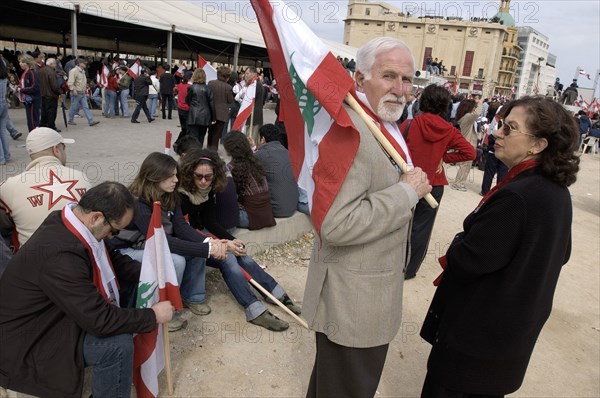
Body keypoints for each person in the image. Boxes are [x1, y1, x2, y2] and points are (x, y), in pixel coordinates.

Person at [420, 96, 580, 397]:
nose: (497, 134)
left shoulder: (519, 196)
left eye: (510, 128)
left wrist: (459, 241)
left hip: (477, 341)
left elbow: (466, 260)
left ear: (538, 145)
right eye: (500, 125)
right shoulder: (556, 192)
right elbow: (562, 253)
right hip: (508, 342)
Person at [303, 37, 431, 397]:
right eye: (389, 76)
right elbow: (336, 224)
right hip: (352, 302)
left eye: (407, 80)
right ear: (359, 80)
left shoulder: (383, 123)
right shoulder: (351, 133)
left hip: (368, 297)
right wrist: (407, 193)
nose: (401, 89)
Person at [0, 181, 174, 398]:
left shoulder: (74, 222)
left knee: (132, 291)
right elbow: (100, 320)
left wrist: (152, 275)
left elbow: (114, 260)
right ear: (96, 217)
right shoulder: (60, 255)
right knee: (117, 346)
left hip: (56, 313)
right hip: (32, 338)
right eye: (115, 230)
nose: (113, 237)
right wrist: (152, 315)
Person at [178, 148, 300, 331]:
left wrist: (233, 240)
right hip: (188, 240)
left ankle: (276, 294)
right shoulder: (180, 194)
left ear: (215, 175)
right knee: (229, 259)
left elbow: (210, 221)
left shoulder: (209, 190)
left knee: (242, 254)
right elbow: (183, 230)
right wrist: (223, 244)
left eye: (208, 177)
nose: (203, 181)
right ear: (189, 174)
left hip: (202, 235)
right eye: (198, 176)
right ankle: (255, 310)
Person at [110, 152, 227, 331]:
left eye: (176, 174)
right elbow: (161, 242)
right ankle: (166, 310)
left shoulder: (170, 194)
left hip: (150, 244)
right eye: (171, 176)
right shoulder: (138, 202)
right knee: (176, 261)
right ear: (155, 177)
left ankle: (192, 297)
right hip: (127, 249)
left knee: (196, 250)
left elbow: (181, 227)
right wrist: (207, 249)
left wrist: (208, 243)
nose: (176, 180)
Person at [400, 84, 476, 280]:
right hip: (434, 184)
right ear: (446, 105)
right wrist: (444, 157)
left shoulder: (410, 124)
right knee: (421, 229)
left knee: (398, 224)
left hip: (407, 182)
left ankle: (393, 264)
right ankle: (410, 269)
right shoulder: (449, 130)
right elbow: (470, 152)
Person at [0, 127, 92, 250]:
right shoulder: (81, 177)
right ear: (56, 150)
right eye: (63, 148)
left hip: (32, 260)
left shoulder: (9, 186)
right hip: (81, 256)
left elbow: (4, 225)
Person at [223, 130, 276, 230]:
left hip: (248, 218)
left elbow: (230, 198)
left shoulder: (230, 168)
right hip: (267, 214)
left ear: (228, 149)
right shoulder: (256, 161)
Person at [255, 123, 299, 218]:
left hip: (275, 209)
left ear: (262, 139)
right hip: (292, 206)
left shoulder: (261, 155)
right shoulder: (288, 153)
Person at [451, 97, 482, 191]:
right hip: (468, 143)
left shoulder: (465, 117)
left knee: (466, 165)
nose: (474, 108)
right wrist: (480, 103)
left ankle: (460, 182)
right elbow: (477, 114)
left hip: (468, 143)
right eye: (474, 106)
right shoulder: (467, 117)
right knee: (465, 165)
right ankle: (458, 183)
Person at [207, 65, 234, 149]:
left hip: (211, 112)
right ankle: (214, 151)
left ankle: (209, 148)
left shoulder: (210, 83)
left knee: (210, 132)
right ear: (227, 77)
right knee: (217, 133)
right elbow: (230, 100)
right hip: (222, 114)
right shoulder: (228, 87)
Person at [67, 58, 100, 127]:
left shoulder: (82, 71)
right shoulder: (74, 71)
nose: (85, 64)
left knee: (86, 107)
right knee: (74, 106)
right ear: (79, 64)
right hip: (77, 91)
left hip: (82, 92)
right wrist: (73, 89)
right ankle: (70, 119)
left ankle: (91, 121)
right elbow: (70, 82)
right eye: (83, 63)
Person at [186, 68, 214, 146]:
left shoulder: (191, 88)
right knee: (201, 137)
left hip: (193, 115)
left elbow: (188, 101)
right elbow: (211, 104)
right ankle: (199, 153)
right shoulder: (208, 88)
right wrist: (213, 118)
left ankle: (193, 153)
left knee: (193, 137)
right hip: (205, 116)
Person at [17, 54, 41, 132]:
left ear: (28, 62)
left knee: (33, 121)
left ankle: (35, 139)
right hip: (27, 99)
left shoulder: (32, 73)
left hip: (33, 99)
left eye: (22, 62)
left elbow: (35, 87)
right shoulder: (25, 73)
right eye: (20, 62)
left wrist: (21, 90)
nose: (20, 64)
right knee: (30, 120)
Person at [38, 57, 63, 131]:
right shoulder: (51, 72)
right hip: (51, 94)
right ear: (51, 64)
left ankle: (43, 124)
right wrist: (60, 91)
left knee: (44, 110)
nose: (55, 65)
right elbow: (54, 85)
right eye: (55, 64)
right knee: (51, 111)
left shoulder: (41, 70)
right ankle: (51, 126)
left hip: (43, 93)